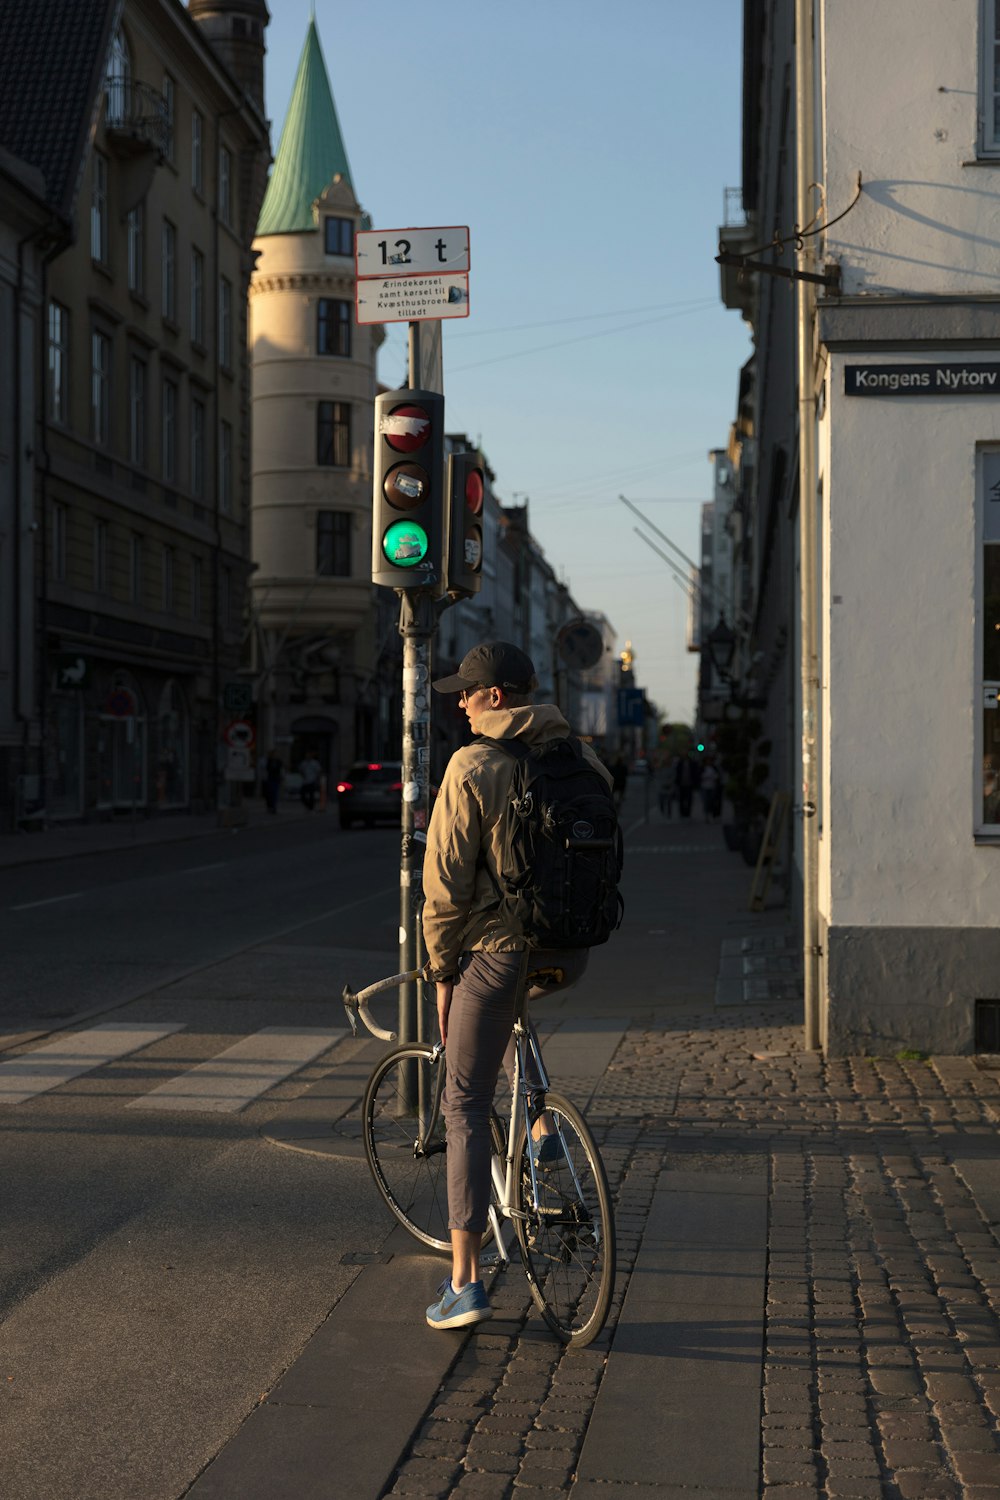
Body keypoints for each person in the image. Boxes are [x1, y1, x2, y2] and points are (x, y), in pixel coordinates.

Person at [421, 641, 613, 1331]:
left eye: (467, 694)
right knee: (502, 1017)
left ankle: (465, 1283)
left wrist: (442, 973)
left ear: (497, 697)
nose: (459, 704)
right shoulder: (583, 758)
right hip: (572, 949)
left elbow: (443, 889)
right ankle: (539, 1127)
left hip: (499, 952)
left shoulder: (473, 765)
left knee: (464, 1103)